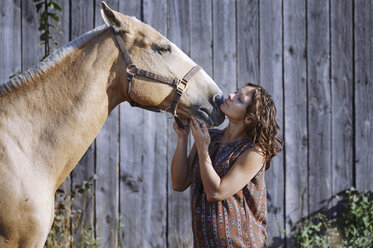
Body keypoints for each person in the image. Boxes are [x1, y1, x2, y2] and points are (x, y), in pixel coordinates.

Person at [171, 82, 284, 247]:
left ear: (249, 118)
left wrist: (203, 150)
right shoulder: (210, 138)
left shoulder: (254, 152)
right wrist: (183, 138)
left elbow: (216, 193)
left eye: (239, 99)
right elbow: (179, 183)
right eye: (235, 92)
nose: (230, 95)